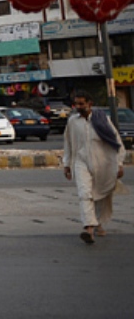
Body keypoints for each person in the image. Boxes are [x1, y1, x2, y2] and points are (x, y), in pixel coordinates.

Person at [63, 91, 125, 244]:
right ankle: (89, 228)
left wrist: (119, 163)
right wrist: (67, 164)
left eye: (81, 104)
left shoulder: (102, 120)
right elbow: (68, 143)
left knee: (100, 195)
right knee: (85, 194)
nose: (78, 107)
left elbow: (115, 142)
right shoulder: (73, 121)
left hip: (102, 162)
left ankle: (99, 222)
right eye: (76, 104)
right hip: (81, 162)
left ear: (89, 103)